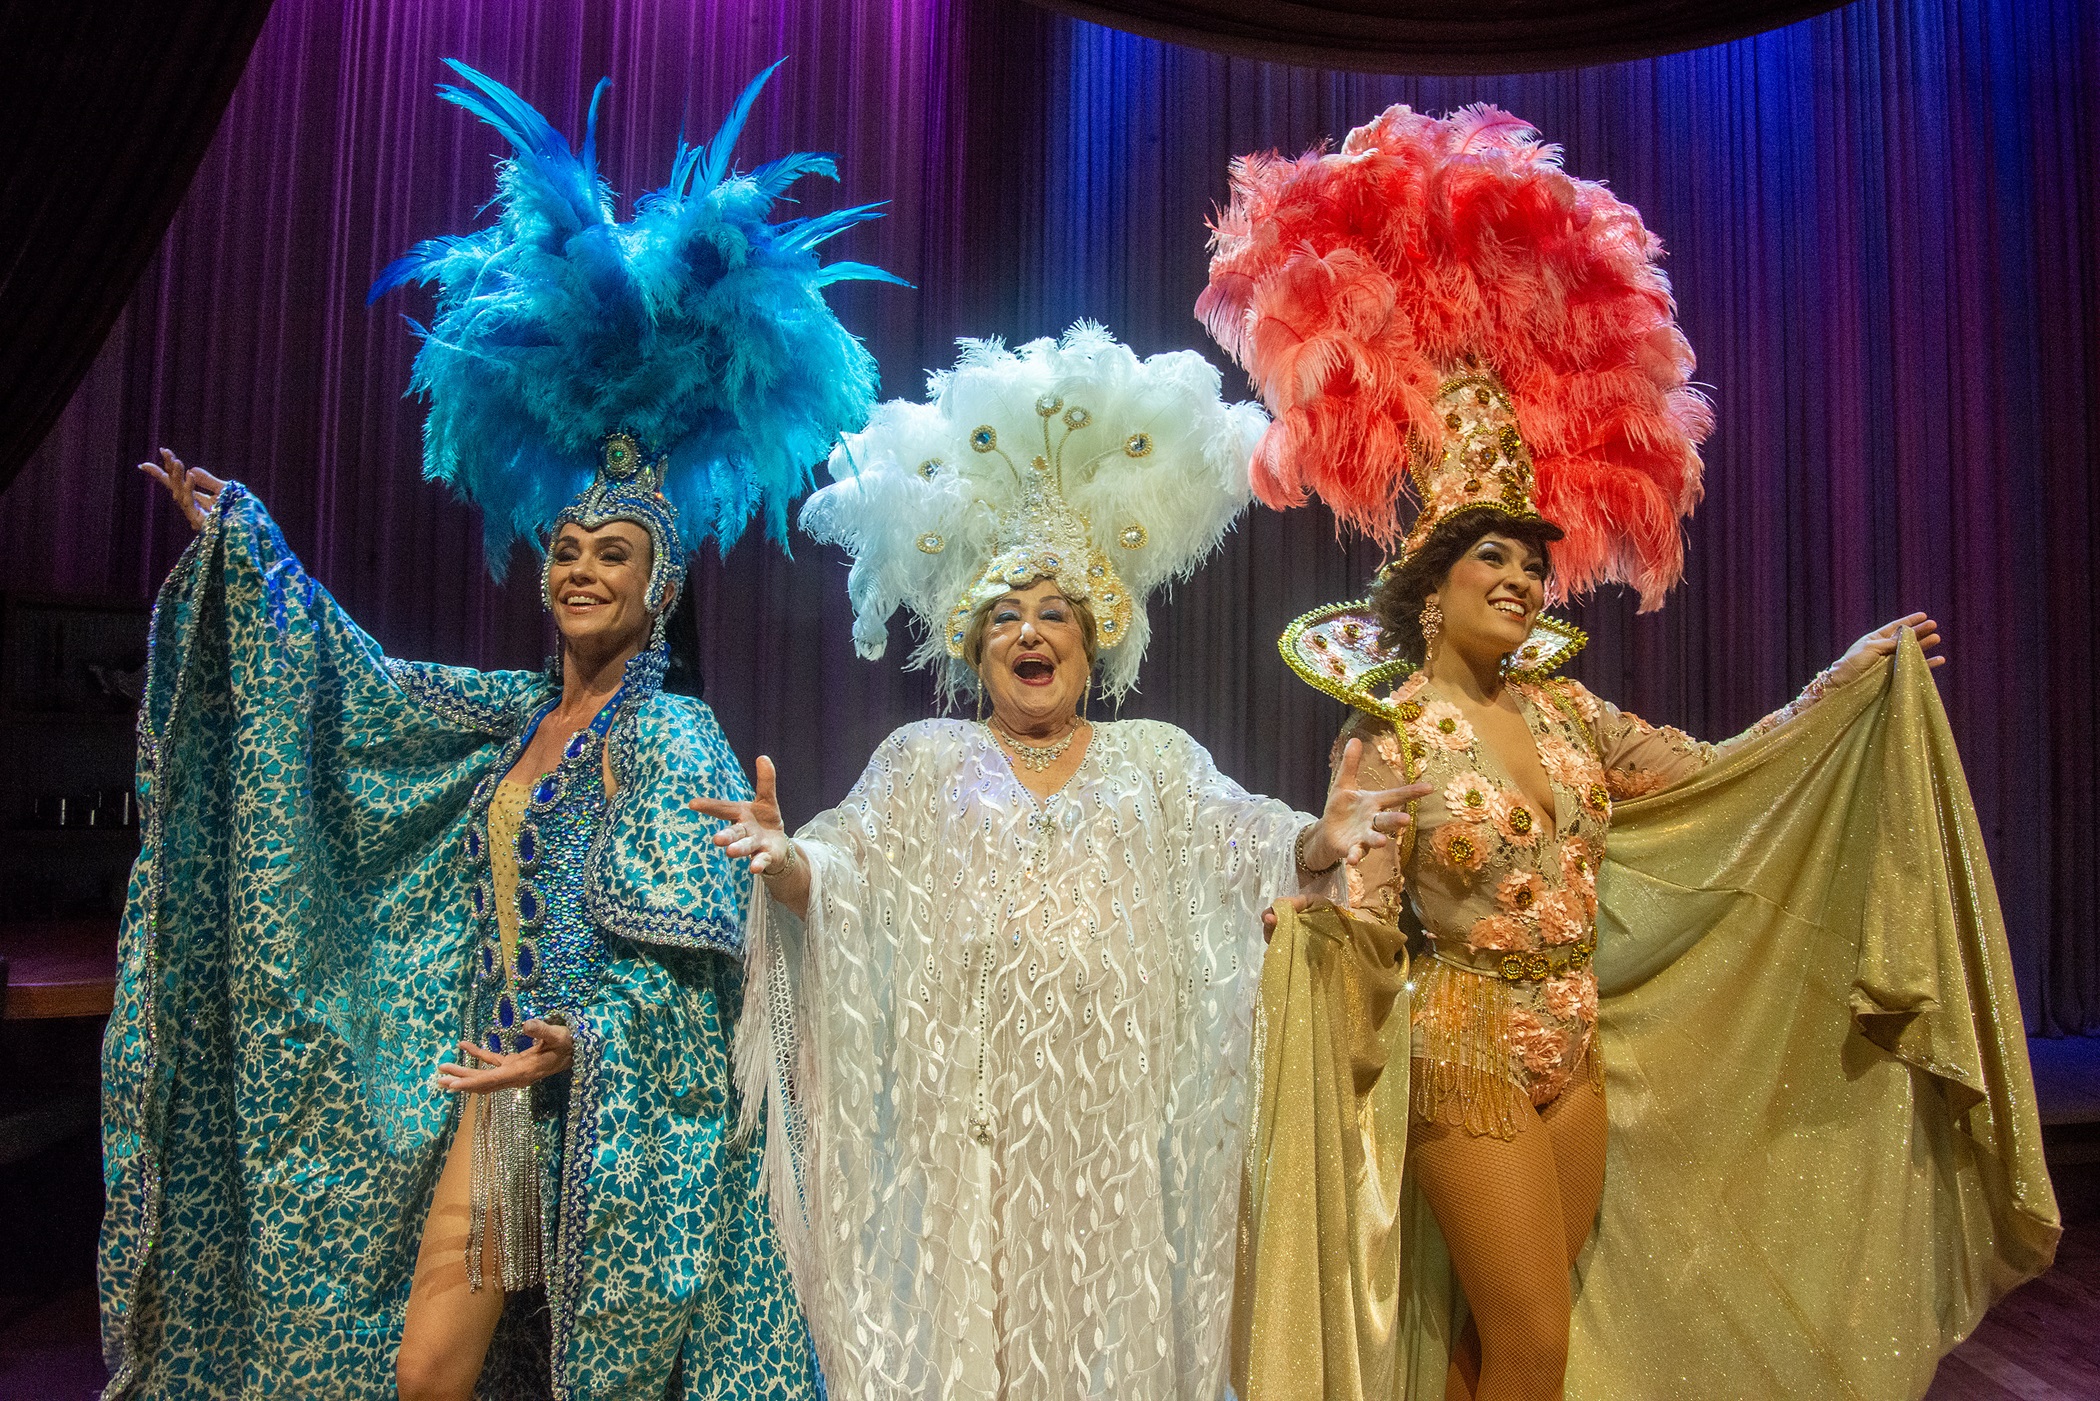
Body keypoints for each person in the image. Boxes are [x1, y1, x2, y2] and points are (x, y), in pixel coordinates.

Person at [1204, 106, 2057, 1401]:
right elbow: (1363, 911)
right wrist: (1320, 878)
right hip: (1469, 1049)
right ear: (1427, 589)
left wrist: (1849, 688)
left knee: (1508, 1341)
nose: (1522, 578)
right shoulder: (1391, 735)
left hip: (1575, 1042)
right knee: (1535, 1340)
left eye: (1533, 560)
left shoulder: (1571, 716)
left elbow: (1721, 770)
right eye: (1491, 555)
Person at [99, 60, 898, 1399]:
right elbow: (361, 687)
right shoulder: (508, 718)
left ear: (659, 589)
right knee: (426, 1373)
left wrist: (590, 1047)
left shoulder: (674, 736)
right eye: (568, 550)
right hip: (489, 1087)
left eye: (614, 556)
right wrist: (253, 552)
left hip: (606, 1115)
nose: (584, 569)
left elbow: (701, 987)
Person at [692, 325, 1429, 1400]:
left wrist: (1318, 841)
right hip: (972, 1148)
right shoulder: (923, 760)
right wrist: (789, 862)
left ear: (1095, 647)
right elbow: (847, 876)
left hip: (1113, 1148)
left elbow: (1245, 842)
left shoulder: (1155, 763)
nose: (1029, 634)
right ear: (974, 646)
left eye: (1053, 617)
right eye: (1004, 619)